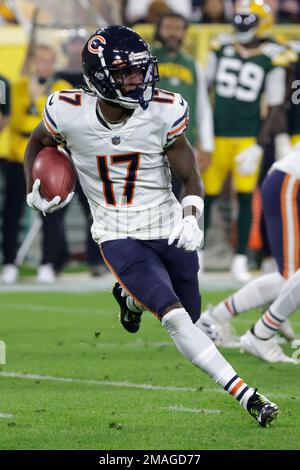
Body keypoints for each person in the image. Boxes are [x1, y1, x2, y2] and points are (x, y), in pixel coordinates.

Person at [24, 25, 279, 427]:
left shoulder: (165, 108)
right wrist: (33, 188)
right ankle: (247, 394)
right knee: (176, 318)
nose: (138, 80)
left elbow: (192, 176)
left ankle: (129, 299)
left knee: (190, 313)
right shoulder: (66, 111)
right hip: (116, 231)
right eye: (126, 73)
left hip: (165, 224)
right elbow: (38, 143)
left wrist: (191, 216)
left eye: (141, 70)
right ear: (100, 77)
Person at [202, 0, 289, 282]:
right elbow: (205, 90)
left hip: (247, 137)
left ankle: (240, 257)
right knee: (206, 195)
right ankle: (198, 254)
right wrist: (202, 134)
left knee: (243, 197)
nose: (241, 26)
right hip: (216, 133)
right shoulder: (221, 45)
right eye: (239, 20)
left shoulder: (273, 54)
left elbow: (275, 105)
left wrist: (259, 144)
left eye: (247, 21)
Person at [199, 144, 300, 363]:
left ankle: (226, 318)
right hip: (290, 183)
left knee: (290, 273)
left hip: (289, 182)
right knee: (290, 274)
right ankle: (223, 320)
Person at [1, 44, 71, 284]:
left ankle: (48, 263)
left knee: (50, 213)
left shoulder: (62, 88)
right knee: (12, 213)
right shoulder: (16, 85)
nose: (44, 65)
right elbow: (11, 117)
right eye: (40, 60)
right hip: (17, 155)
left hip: (48, 156)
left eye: (49, 60)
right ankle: (10, 262)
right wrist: (28, 93)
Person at [151, 12, 214, 199]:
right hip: (149, 143)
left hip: (181, 146)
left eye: (178, 29)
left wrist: (207, 144)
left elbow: (203, 106)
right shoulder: (146, 59)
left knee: (175, 199)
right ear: (159, 30)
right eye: (168, 27)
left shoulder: (193, 65)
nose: (173, 33)